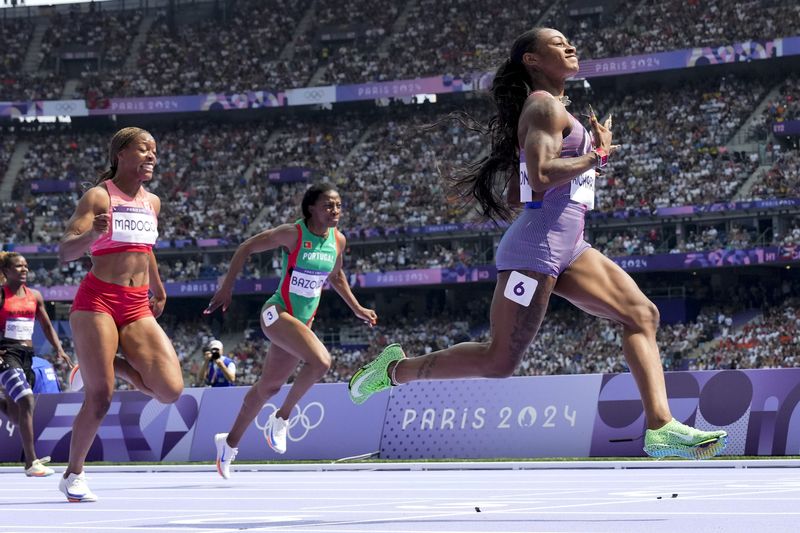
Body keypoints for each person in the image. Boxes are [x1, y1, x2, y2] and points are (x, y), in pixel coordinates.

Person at [348, 28, 728, 460]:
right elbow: (544, 174)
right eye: (558, 43)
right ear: (532, 59)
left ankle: (660, 427)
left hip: (570, 244)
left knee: (641, 314)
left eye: (570, 41)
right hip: (537, 249)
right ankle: (394, 370)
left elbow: (519, 192)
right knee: (499, 361)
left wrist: (581, 165)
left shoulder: (553, 111)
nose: (570, 47)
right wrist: (596, 157)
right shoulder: (544, 105)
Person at [205, 183, 377, 478]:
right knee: (321, 361)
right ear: (311, 208)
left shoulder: (338, 241)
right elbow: (246, 247)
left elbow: (336, 277)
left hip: (301, 323)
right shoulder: (293, 233)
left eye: (338, 205)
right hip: (277, 314)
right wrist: (227, 287)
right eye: (328, 205)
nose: (335, 211)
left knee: (268, 387)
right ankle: (282, 418)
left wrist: (357, 307)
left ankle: (228, 444)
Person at [58, 127, 184, 502]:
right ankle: (73, 475)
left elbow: (145, 249)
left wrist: (158, 287)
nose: (151, 156)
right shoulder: (99, 196)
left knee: (169, 390)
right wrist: (90, 237)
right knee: (100, 397)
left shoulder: (153, 202)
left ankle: (105, 362)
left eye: (154, 151)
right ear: (121, 155)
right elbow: (65, 252)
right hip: (97, 300)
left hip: (136, 303)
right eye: (143, 149)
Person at [0, 252, 73, 477]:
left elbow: (47, 326)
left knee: (17, 412)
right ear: (5, 272)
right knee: (27, 399)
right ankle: (31, 462)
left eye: (26, 266)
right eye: (18, 266)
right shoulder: (1, 295)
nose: (24, 270)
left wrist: (59, 349)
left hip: (26, 356)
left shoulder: (35, 296)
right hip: (5, 354)